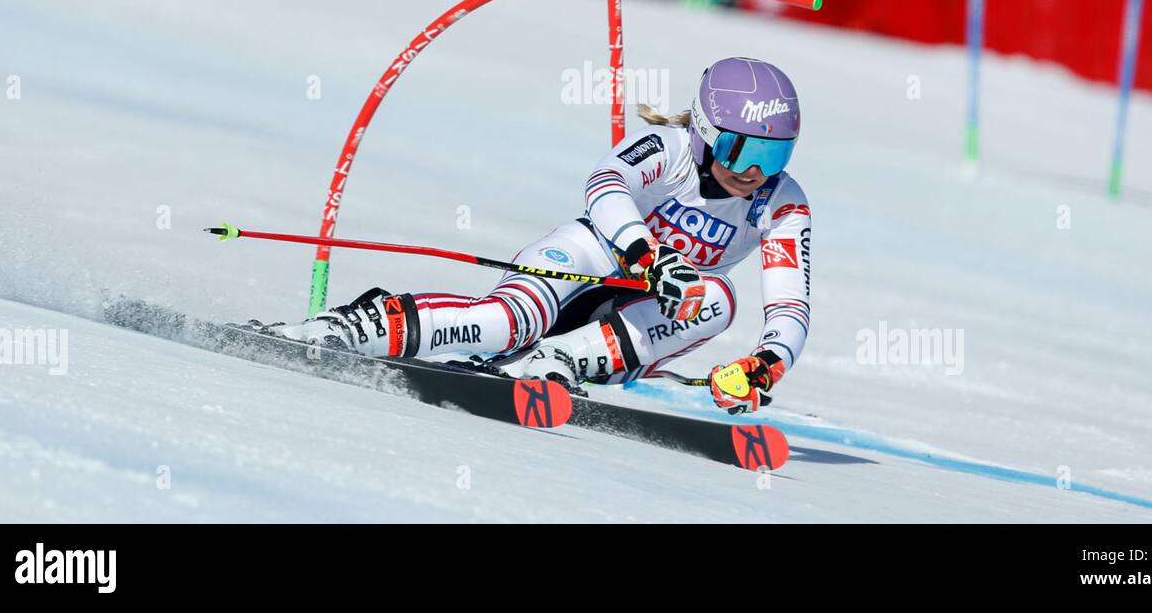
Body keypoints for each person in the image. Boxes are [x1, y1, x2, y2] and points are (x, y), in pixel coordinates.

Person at [269, 58, 812, 414]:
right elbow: (605, 184)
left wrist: (765, 365)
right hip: (586, 259)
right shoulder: (668, 150)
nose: (754, 171)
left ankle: (556, 363)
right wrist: (645, 254)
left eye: (775, 154)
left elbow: (791, 303)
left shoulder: (781, 202)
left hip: (637, 314)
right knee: (502, 322)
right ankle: (345, 328)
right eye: (743, 150)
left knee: (716, 298)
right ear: (706, 132)